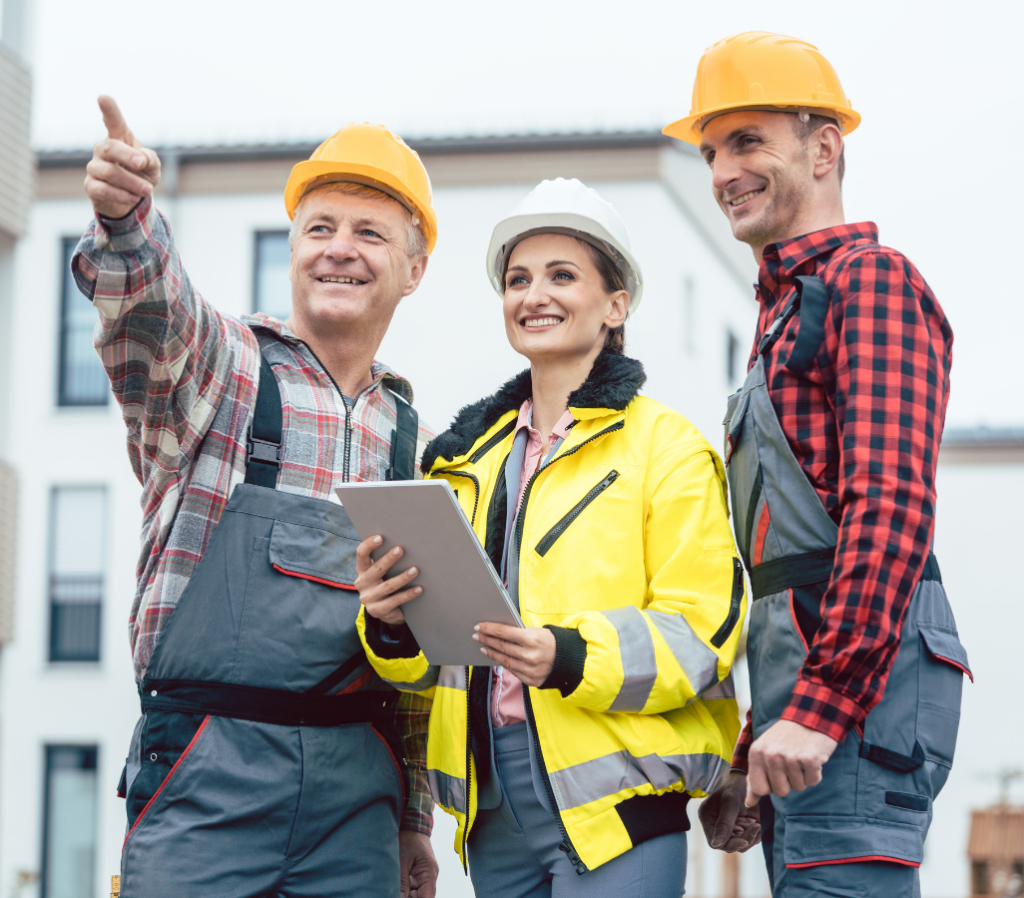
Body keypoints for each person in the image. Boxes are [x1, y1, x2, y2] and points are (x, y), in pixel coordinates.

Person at [76, 97, 440, 898]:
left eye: (370, 233)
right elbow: (152, 319)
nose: (339, 250)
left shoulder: (413, 437)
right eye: (320, 228)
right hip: (208, 773)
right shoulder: (227, 369)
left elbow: (418, 655)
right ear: (292, 250)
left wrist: (414, 814)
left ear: (415, 269)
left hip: (359, 797)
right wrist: (128, 223)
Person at [354, 178, 745, 897]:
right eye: (518, 279)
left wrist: (567, 654)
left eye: (563, 276)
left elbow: (702, 631)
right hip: (492, 804)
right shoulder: (462, 462)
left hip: (619, 801)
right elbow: (427, 664)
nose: (534, 295)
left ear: (615, 304)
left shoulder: (669, 448)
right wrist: (390, 622)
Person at [663, 32, 972, 896]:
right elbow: (791, 572)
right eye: (713, 150)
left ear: (824, 146)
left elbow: (889, 507)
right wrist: (755, 738)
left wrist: (821, 707)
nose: (724, 169)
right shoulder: (775, 319)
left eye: (749, 140)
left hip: (857, 711)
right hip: (811, 713)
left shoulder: (868, 282)